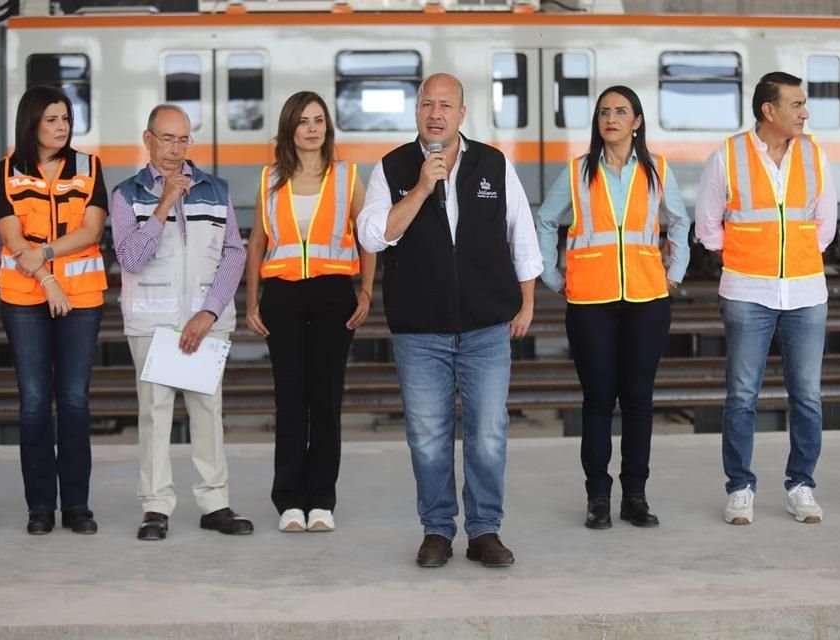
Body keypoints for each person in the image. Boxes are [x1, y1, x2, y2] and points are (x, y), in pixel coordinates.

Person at [358, 73, 542, 568]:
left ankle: (484, 530)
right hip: (420, 330)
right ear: (415, 111)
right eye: (426, 104)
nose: (435, 113)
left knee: (487, 432)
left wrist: (526, 303)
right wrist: (420, 187)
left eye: (445, 105)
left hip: (486, 327)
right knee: (428, 435)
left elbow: (520, 235)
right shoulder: (392, 167)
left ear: (463, 114)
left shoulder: (493, 164)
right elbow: (375, 236)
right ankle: (437, 530)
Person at [535, 86, 690, 531]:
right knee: (598, 400)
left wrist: (674, 272)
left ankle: (635, 497)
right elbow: (545, 220)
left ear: (637, 121)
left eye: (621, 111)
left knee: (639, 400)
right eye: (605, 112)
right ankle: (598, 498)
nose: (612, 118)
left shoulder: (657, 170)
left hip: (647, 299)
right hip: (590, 302)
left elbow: (680, 221)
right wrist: (552, 276)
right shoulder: (579, 171)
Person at [695, 71, 837, 526]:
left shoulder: (814, 154)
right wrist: (746, 256)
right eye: (796, 104)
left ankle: (801, 485)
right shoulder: (729, 156)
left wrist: (792, 259)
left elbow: (826, 227)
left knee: (808, 398)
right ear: (768, 110)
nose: (805, 112)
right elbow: (707, 227)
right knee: (741, 396)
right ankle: (740, 487)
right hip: (746, 292)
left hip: (806, 291)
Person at [111, 104, 252, 541]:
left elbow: (234, 252)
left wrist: (208, 312)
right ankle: (155, 507)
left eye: (183, 139)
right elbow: (130, 257)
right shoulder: (126, 194)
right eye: (167, 138)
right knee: (154, 415)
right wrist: (164, 205)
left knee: (208, 412)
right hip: (154, 325)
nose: (176, 148)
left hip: (203, 325)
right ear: (147, 139)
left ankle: (215, 503)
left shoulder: (215, 189)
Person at [245, 91, 375, 533]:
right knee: (290, 401)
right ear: (289, 128)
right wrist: (251, 301)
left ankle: (321, 500)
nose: (312, 128)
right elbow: (258, 244)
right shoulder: (269, 179)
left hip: (334, 295)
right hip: (282, 297)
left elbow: (368, 237)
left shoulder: (347, 176)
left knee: (325, 401)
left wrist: (366, 292)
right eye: (303, 121)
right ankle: (289, 502)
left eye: (319, 120)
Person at [0, 85, 108, 535]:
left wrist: (50, 255)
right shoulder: (7, 171)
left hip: (81, 299)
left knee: (75, 401)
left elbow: (91, 230)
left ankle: (77, 506)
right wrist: (47, 278)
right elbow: (11, 239)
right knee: (35, 403)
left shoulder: (89, 167)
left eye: (65, 119)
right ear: (32, 123)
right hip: (25, 299)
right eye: (52, 120)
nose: (61, 127)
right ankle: (40, 507)